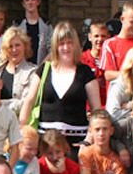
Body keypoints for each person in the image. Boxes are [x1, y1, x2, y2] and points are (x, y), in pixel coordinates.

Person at [20, 21, 102, 150]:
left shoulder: (85, 73)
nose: (66, 47)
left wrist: (88, 140)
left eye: (70, 43)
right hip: (45, 143)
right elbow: (29, 100)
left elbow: (96, 110)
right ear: (55, 46)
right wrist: (22, 130)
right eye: (62, 43)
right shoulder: (43, 70)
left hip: (76, 144)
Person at [0, 26, 40, 116]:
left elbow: (25, 103)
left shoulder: (33, 72)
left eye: (17, 45)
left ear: (25, 46)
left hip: (18, 124)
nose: (14, 50)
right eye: (10, 46)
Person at [100, 2, 133, 82]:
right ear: (122, 19)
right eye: (132, 22)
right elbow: (108, 75)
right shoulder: (110, 44)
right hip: (117, 91)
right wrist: (132, 74)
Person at [19, 0, 53, 65]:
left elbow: (52, 49)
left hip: (42, 69)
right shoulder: (17, 26)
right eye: (27, 0)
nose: (30, 2)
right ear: (23, 4)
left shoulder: (47, 26)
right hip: (22, 70)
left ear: (38, 2)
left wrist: (41, 67)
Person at [79, 20, 110, 103]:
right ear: (90, 37)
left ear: (108, 37)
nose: (100, 39)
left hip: (106, 106)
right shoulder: (81, 59)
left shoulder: (111, 59)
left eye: (103, 36)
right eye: (96, 36)